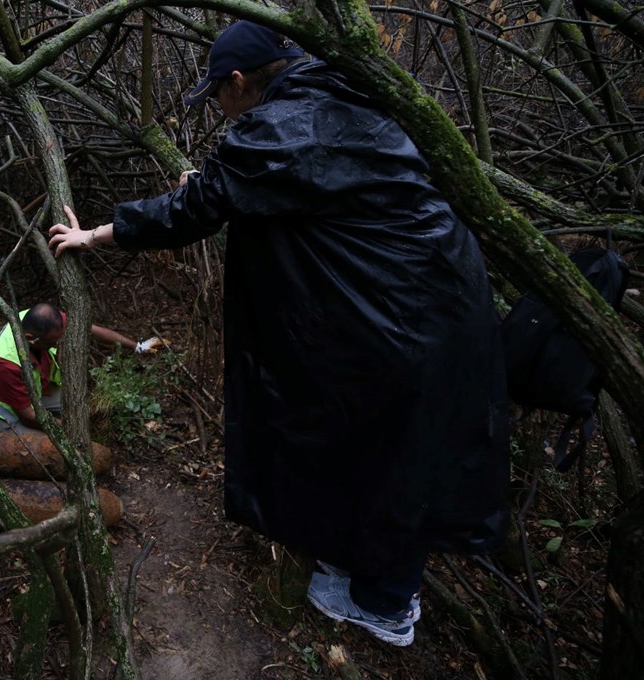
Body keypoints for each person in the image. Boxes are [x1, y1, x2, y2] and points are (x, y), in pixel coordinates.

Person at [48, 19, 508, 647]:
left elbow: (195, 211)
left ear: (239, 83)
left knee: (390, 448)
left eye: (218, 95)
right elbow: (297, 195)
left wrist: (94, 235)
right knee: (392, 443)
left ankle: (386, 604)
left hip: (405, 319)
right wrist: (222, 188)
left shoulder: (279, 128)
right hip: (436, 295)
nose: (219, 108)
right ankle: (368, 574)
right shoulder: (347, 92)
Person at [0, 302, 164, 433]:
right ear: (31, 339)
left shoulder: (41, 321)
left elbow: (90, 329)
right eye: (53, 342)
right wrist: (69, 428)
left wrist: (137, 347)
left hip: (34, 388)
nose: (58, 344)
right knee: (43, 448)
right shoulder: (6, 363)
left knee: (79, 406)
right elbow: (28, 416)